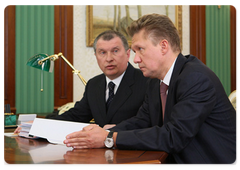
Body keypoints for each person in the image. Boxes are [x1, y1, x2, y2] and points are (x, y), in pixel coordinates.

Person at [63, 14, 237, 164]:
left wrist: (109, 139)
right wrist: (106, 132)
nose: (136, 59)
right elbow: (142, 120)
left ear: (163, 46)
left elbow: (173, 136)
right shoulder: (155, 81)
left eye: (140, 50)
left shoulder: (196, 78)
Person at [14, 30, 148, 133]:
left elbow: (151, 121)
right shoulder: (94, 84)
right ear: (96, 56)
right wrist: (39, 125)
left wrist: (119, 129)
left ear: (128, 54)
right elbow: (75, 116)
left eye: (115, 51)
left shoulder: (147, 81)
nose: (109, 58)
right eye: (102, 52)